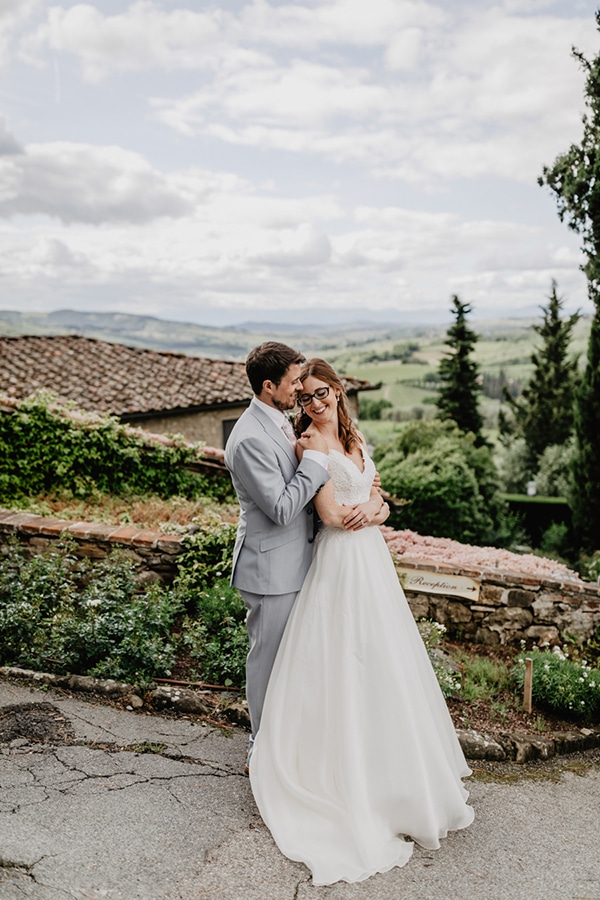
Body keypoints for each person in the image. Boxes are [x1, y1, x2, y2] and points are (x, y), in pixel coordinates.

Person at [249, 358, 475, 886]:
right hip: (338, 562)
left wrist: (376, 511)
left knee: (384, 661)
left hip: (371, 559)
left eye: (321, 392)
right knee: (342, 660)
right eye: (304, 397)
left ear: (337, 390)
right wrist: (363, 509)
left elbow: (379, 499)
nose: (314, 403)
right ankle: (339, 773)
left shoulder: (355, 436)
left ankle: (396, 769)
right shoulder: (308, 445)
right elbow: (329, 515)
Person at [224, 342, 331, 761]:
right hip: (270, 568)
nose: (300, 388)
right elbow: (283, 508)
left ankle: (287, 741)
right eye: (293, 382)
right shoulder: (249, 438)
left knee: (294, 658)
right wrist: (318, 464)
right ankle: (260, 747)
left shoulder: (282, 421)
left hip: (297, 560)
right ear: (269, 386)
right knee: (268, 661)